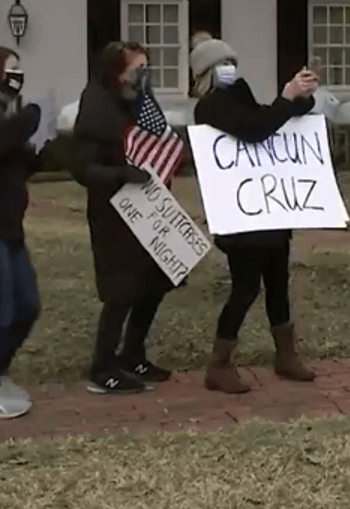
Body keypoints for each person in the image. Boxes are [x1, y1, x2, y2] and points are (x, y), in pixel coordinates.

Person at [190, 35, 319, 394]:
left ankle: (286, 354)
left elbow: (268, 117)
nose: (229, 69)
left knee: (278, 284)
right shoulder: (210, 108)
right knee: (245, 288)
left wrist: (299, 97)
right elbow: (255, 130)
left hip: (268, 212)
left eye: (230, 62)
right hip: (240, 217)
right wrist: (285, 99)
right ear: (206, 73)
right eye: (221, 65)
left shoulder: (239, 97)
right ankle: (219, 363)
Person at [73, 41, 178, 395]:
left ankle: (133, 353)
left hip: (147, 205)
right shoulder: (96, 108)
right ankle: (103, 365)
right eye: (137, 70)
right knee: (121, 291)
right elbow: (82, 168)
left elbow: (156, 138)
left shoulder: (138, 102)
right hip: (113, 212)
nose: (143, 77)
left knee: (154, 283)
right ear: (116, 71)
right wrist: (120, 174)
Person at [0, 45, 43, 418]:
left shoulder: (6, 114)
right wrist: (31, 119)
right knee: (2, 310)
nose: (16, 74)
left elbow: (10, 163)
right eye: (11, 68)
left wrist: (40, 151)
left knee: (27, 306)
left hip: (8, 225)